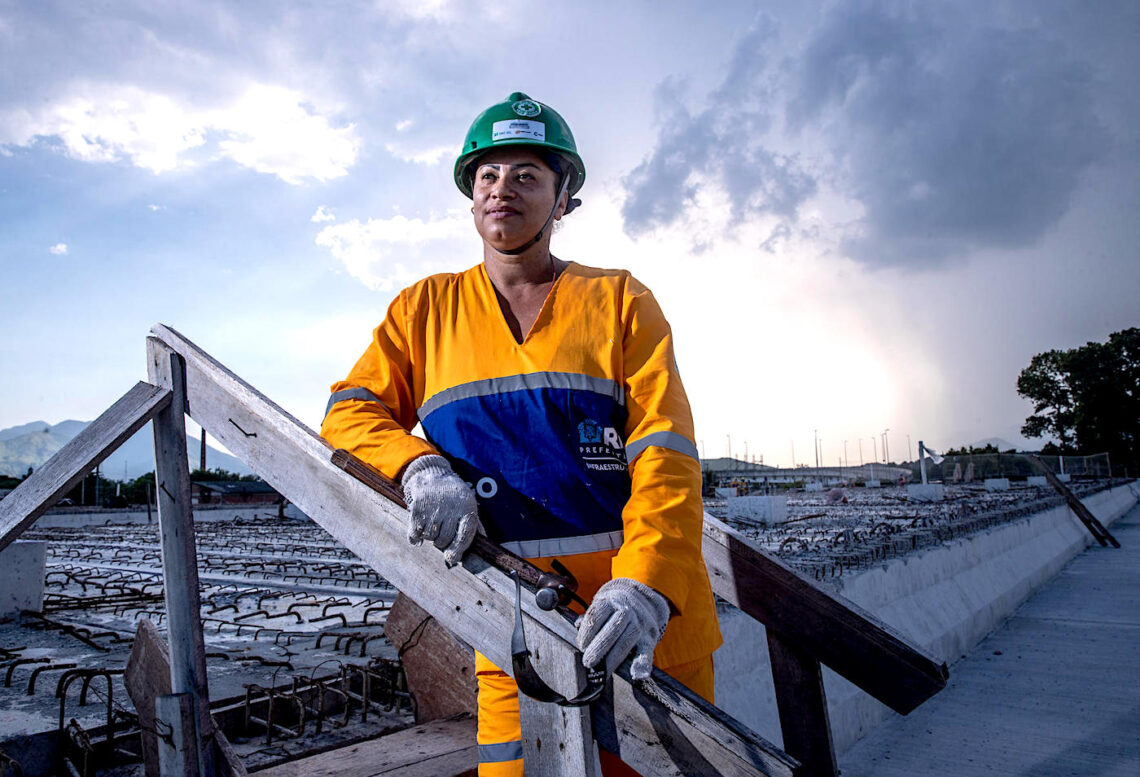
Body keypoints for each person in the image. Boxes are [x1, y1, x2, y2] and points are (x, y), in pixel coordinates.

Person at [321, 92, 722, 776]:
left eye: (527, 176)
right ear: (472, 195)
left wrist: (646, 586)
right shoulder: (424, 310)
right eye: (488, 175)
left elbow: (666, 456)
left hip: (641, 637)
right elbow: (350, 410)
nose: (503, 189)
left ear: (563, 199)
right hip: (512, 640)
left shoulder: (622, 302)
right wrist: (417, 466)